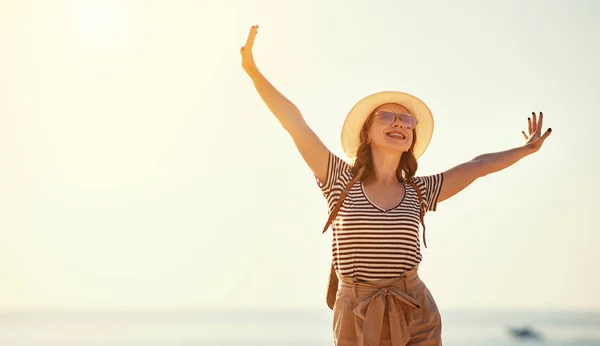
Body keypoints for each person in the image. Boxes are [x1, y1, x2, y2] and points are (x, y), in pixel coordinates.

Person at [240, 25, 552, 346]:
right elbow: (294, 122)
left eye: (407, 120)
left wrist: (525, 150)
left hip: (415, 310)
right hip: (356, 314)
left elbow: (477, 166)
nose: (399, 123)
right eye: (387, 117)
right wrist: (253, 72)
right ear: (367, 132)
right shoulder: (339, 180)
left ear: (412, 138)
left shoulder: (420, 191)